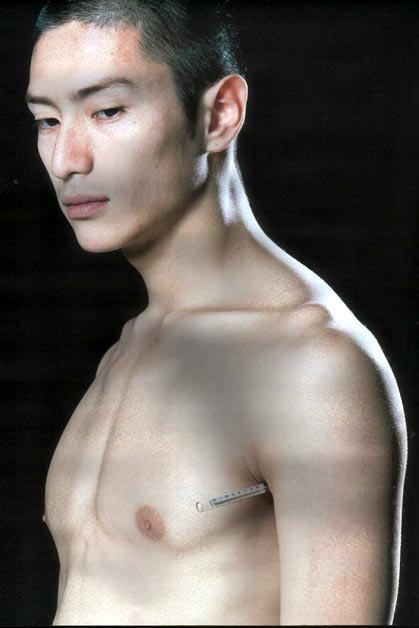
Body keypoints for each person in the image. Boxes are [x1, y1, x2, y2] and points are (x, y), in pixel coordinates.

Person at [25, 0, 407, 624]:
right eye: (47, 119)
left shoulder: (311, 362)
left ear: (220, 114)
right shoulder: (126, 351)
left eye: (107, 111)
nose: (67, 160)